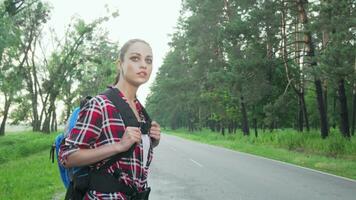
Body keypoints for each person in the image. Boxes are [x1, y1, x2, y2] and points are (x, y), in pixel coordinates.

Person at [59, 39, 161, 200]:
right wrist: (118, 146)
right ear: (120, 64)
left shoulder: (140, 112)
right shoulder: (100, 105)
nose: (144, 65)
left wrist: (151, 142)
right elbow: (67, 157)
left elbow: (132, 164)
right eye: (135, 58)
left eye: (148, 60)